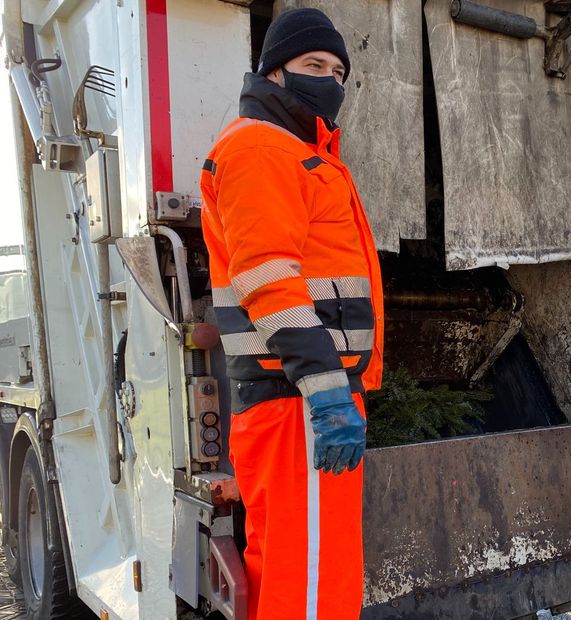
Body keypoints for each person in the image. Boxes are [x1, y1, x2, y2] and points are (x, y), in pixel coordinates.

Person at [199, 8, 384, 619]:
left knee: (317, 584)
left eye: (338, 71)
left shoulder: (301, 154)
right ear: (273, 74)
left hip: (309, 399)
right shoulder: (259, 147)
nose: (329, 80)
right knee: (303, 591)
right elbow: (268, 281)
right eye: (313, 66)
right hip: (297, 404)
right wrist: (328, 393)